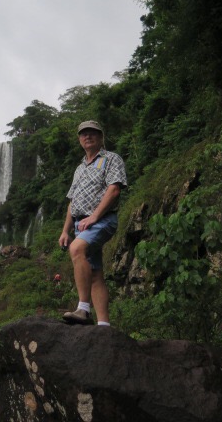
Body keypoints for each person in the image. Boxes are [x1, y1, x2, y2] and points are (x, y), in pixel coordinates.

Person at [58, 120, 127, 326]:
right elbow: (72, 202)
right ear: (79, 139)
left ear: (101, 137)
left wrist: (95, 216)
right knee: (95, 274)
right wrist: (65, 231)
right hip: (81, 225)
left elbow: (114, 189)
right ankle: (104, 325)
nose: (87, 136)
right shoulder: (79, 169)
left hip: (102, 220)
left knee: (76, 249)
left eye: (92, 132)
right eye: (83, 133)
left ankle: (83, 309)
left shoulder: (111, 159)